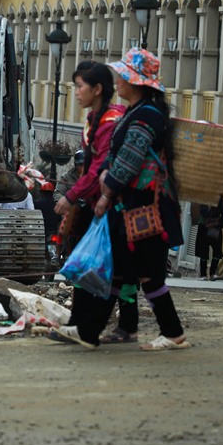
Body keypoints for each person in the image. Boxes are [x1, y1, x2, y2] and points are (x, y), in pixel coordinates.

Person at [64, 48, 188, 351]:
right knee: (123, 273)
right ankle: (88, 332)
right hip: (133, 206)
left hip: (144, 209)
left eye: (124, 76)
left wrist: (106, 189)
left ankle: (171, 333)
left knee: (148, 276)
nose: (118, 80)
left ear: (137, 83)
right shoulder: (138, 111)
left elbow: (128, 160)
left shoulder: (145, 115)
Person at [45, 61, 127, 347]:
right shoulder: (94, 120)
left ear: (98, 89)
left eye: (80, 86)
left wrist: (70, 196)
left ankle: (88, 331)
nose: (76, 92)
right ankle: (79, 326)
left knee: (111, 273)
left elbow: (99, 167)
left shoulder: (110, 122)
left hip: (116, 206)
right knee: (87, 266)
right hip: (98, 205)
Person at [195, 194, 223, 281]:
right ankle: (203, 274)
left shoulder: (221, 201)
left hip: (215, 229)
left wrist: (215, 224)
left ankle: (213, 273)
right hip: (204, 228)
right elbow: (203, 212)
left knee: (217, 251)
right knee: (203, 251)